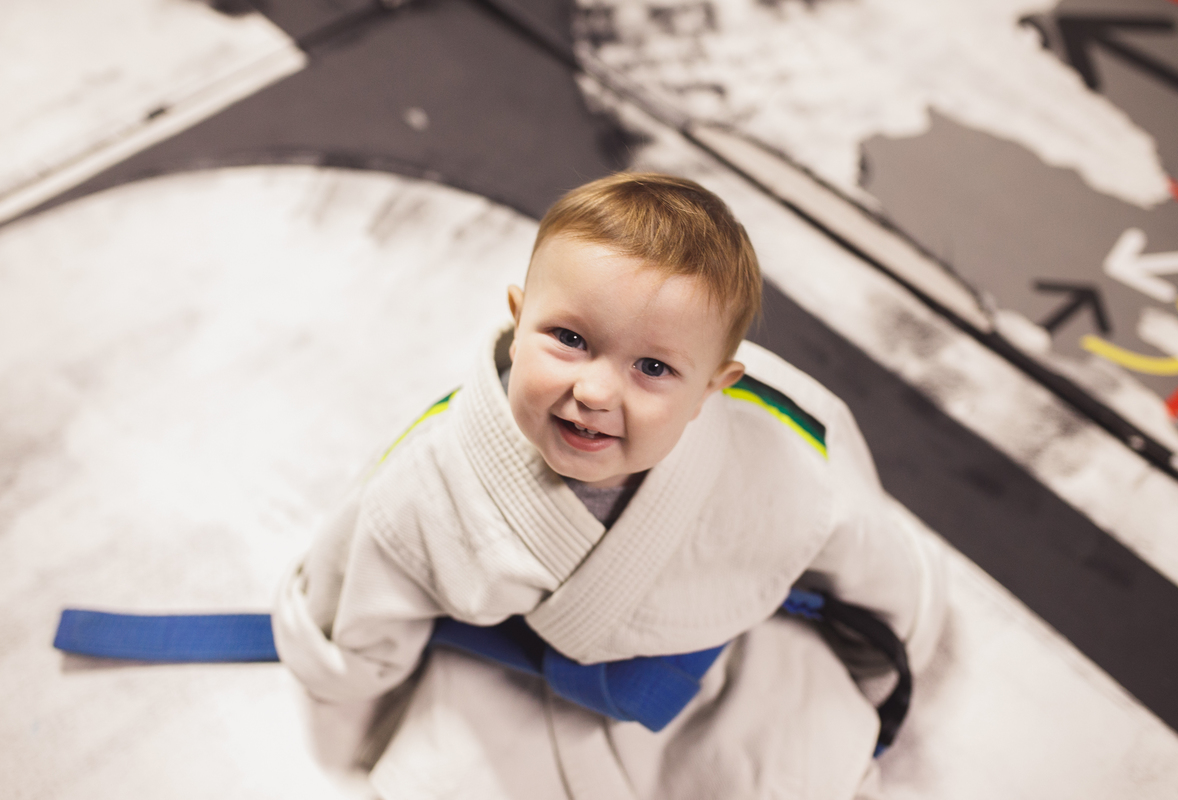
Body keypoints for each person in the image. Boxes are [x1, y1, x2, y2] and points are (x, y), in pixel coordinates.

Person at [272, 172, 946, 800]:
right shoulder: (433, 474)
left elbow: (863, 549)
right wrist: (349, 722)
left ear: (712, 387)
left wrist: (885, 650)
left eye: (652, 368)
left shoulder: (779, 448)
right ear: (518, 319)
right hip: (505, 681)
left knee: (796, 748)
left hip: (716, 667)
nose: (594, 391)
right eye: (569, 338)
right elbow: (354, 605)